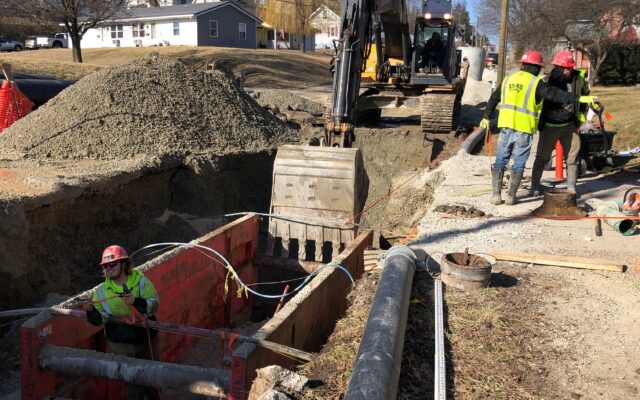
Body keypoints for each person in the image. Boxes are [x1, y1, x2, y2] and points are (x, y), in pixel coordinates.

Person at [479, 50, 592, 205]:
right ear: (537, 67)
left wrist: (486, 116)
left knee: (501, 160)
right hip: (525, 128)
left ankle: (496, 196)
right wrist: (576, 98)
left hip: (507, 126)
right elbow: (554, 94)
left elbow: (494, 98)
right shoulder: (536, 82)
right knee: (519, 163)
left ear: (523, 64)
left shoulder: (508, 79)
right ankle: (511, 196)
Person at [84, 245, 160, 400]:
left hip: (145, 340)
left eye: (112, 264)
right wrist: (90, 311)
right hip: (121, 344)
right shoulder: (101, 292)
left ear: (124, 264)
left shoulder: (141, 282)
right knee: (132, 385)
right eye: (106, 266)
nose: (109, 268)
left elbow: (154, 305)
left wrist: (136, 301)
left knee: (152, 380)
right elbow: (99, 320)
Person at [529, 51, 590, 196]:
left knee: (572, 159)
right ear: (557, 66)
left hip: (569, 126)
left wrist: (581, 117)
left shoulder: (578, 78)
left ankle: (571, 188)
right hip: (550, 125)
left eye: (570, 67)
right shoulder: (546, 80)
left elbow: (584, 96)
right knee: (542, 158)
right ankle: (535, 186)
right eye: (565, 67)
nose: (568, 70)